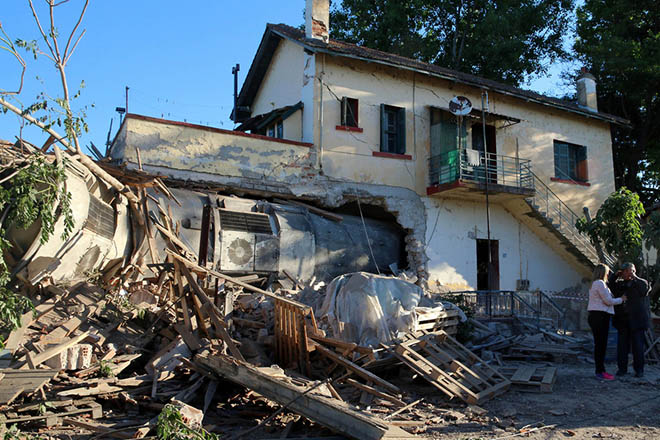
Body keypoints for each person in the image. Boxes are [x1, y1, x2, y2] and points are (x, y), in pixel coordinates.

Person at [610, 262, 651, 378]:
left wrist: (635, 277)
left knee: (638, 347)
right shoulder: (620, 284)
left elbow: (645, 290)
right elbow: (610, 284)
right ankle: (622, 369)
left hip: (637, 321)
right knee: (622, 347)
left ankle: (639, 370)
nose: (627, 273)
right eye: (625, 271)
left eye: (630, 271)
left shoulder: (640, 283)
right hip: (622, 321)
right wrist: (616, 275)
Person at [587, 264, 624, 380]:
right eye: (608, 272)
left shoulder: (596, 283)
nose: (608, 274)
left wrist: (616, 276)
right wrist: (621, 300)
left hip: (597, 316)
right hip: (600, 316)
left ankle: (600, 370)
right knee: (601, 345)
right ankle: (600, 371)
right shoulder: (600, 283)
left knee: (600, 345)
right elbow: (608, 301)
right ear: (604, 273)